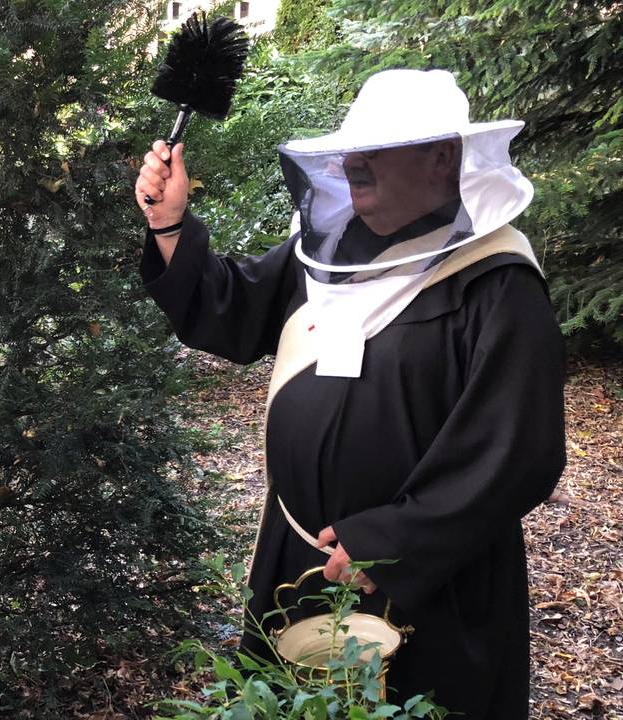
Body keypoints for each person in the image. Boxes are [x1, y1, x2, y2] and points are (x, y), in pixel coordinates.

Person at [134, 68, 566, 718]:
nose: (353, 162)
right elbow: (229, 310)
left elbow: (516, 451)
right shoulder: (325, 253)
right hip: (297, 564)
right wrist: (171, 226)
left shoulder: (499, 283)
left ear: (442, 158)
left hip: (426, 583)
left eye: (379, 147)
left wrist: (393, 540)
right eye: (352, 146)